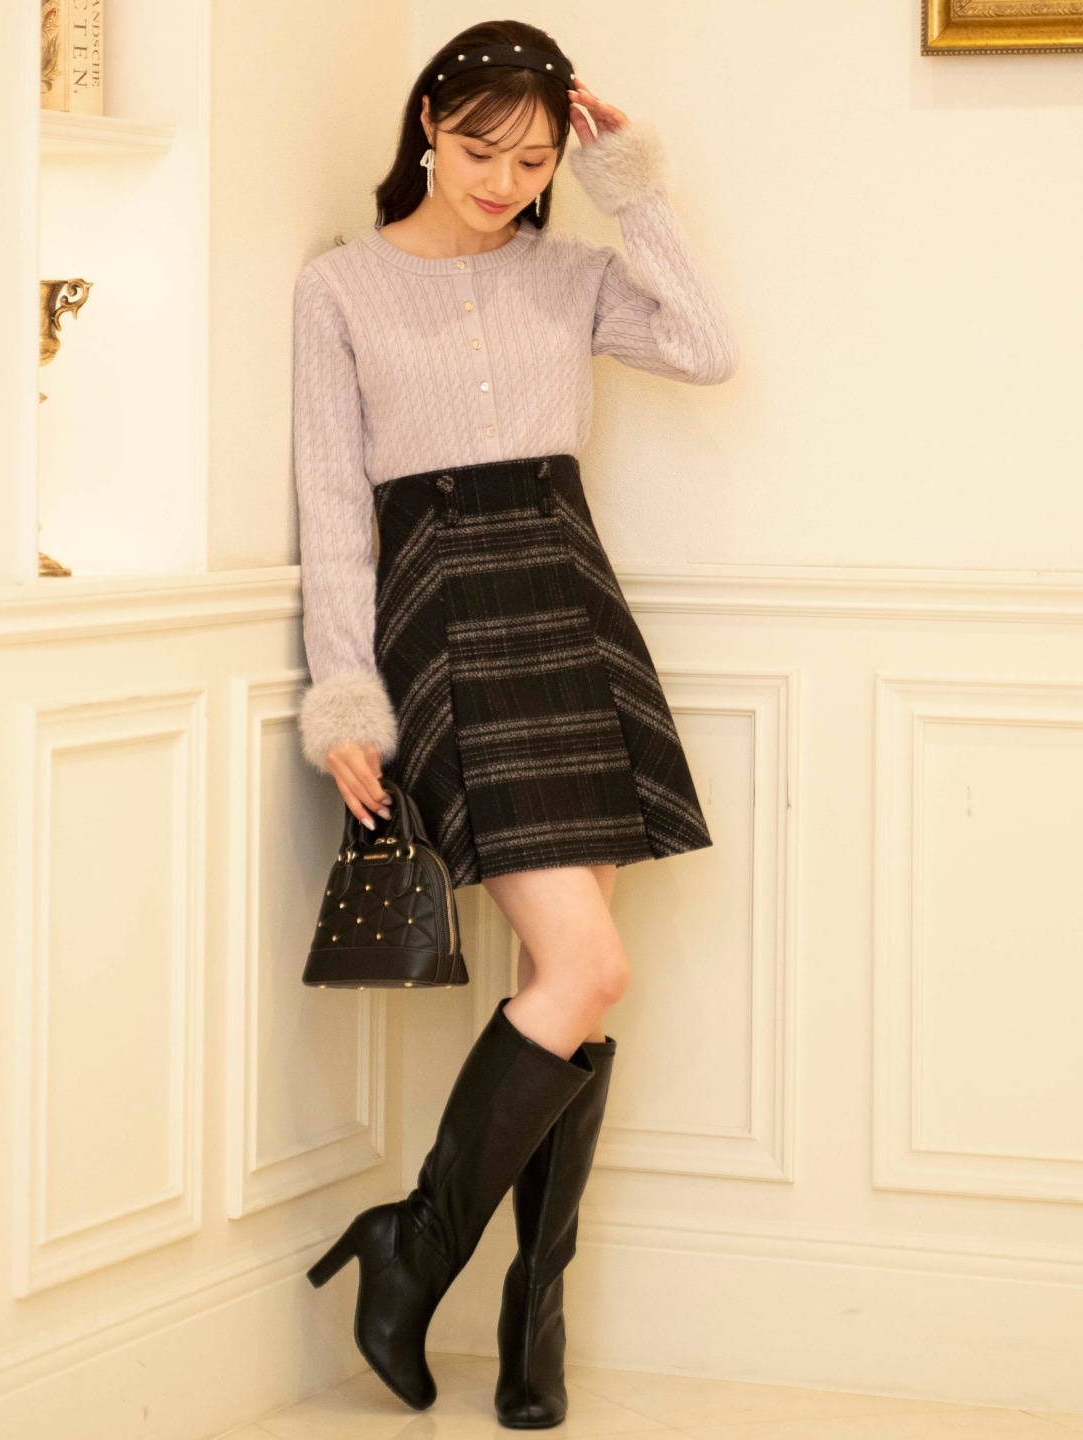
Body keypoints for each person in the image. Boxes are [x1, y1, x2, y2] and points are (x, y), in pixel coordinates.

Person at [293, 19, 737, 1430]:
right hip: (445, 619)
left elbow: (707, 347)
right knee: (589, 969)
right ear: (429, 124)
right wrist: (345, 694)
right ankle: (414, 1247)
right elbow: (331, 510)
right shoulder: (341, 287)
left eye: (534, 159)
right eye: (482, 149)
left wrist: (631, 179)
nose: (504, 181)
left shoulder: (571, 272)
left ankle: (532, 1320)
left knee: (573, 980)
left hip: (568, 598)